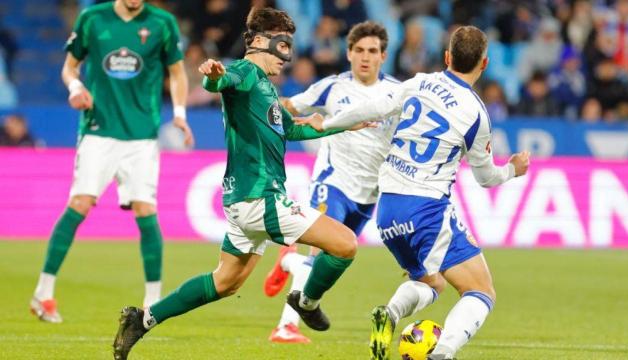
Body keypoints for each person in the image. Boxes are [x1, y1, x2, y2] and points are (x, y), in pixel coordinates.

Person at [112, 7, 361, 359]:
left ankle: (143, 319)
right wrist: (213, 76)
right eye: (282, 45)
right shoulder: (245, 72)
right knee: (346, 244)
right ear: (260, 41)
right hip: (261, 199)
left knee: (225, 282)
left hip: (242, 201)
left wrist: (340, 124)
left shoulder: (266, 88)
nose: (286, 56)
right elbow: (220, 81)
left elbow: (290, 129)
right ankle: (306, 302)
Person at [297, 25, 530, 360]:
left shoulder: (420, 82)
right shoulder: (476, 114)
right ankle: (443, 353)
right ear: (485, 63)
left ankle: (390, 314)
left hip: (388, 208)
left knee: (431, 282)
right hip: (427, 210)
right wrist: (513, 170)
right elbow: (486, 178)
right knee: (480, 290)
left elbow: (373, 108)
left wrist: (327, 123)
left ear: (448, 57)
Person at [29, 0, 193, 323]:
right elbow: (69, 67)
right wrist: (75, 87)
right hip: (98, 131)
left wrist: (179, 113)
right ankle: (43, 293)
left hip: (142, 136)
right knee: (80, 203)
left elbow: (177, 73)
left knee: (146, 210)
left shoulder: (162, 23)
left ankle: (153, 303)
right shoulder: (92, 18)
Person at [263, 20, 401, 343]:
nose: (366, 57)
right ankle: (286, 326)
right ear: (349, 53)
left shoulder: (397, 93)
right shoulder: (333, 87)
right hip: (332, 183)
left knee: (336, 259)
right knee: (319, 254)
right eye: (359, 51)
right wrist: (262, 109)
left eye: (373, 51)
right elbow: (289, 106)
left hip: (369, 194)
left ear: (383, 55)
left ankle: (290, 261)